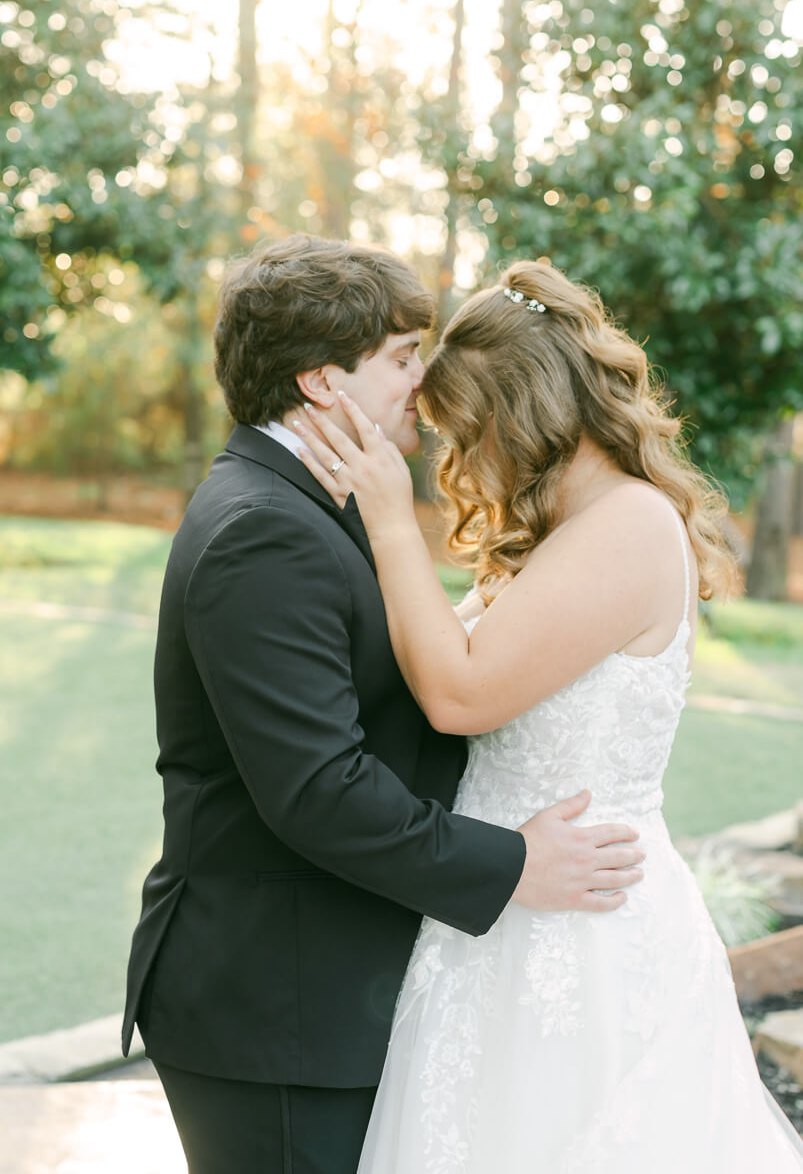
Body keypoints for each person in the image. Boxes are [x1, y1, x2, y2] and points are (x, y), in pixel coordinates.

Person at [121, 236, 646, 1174]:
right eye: (402, 357)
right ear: (323, 383)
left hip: (320, 996)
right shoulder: (262, 531)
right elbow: (319, 788)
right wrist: (515, 864)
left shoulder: (311, 503)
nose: (422, 380)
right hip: (273, 1011)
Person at [296, 258, 803, 1172]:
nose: (458, 463)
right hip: (499, 914)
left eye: (465, 434)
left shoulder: (628, 525)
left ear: (517, 414)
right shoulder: (565, 536)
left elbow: (456, 692)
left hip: (580, 933)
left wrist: (387, 518)